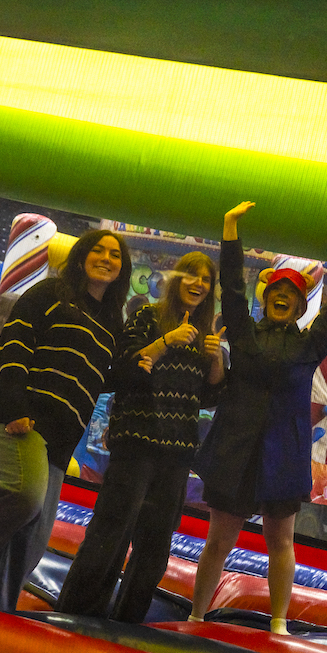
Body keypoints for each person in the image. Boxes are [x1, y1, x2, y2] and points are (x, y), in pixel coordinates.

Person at [190, 201, 327, 634]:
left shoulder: (310, 346)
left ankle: (278, 622)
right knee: (219, 540)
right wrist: (230, 228)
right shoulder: (243, 330)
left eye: (291, 294)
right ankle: (196, 614)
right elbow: (233, 288)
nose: (283, 296)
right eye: (277, 290)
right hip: (236, 448)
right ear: (268, 299)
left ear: (297, 306)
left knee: (281, 542)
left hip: (283, 454)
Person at [0, 230, 132, 611]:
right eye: (99, 250)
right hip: (14, 416)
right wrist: (16, 408)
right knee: (23, 495)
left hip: (58, 436)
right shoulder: (48, 295)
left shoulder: (111, 322)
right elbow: (14, 349)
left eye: (115, 255)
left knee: (30, 542)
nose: (107, 258)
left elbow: (97, 376)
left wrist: (156, 352)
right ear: (80, 256)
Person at [57, 251, 225, 623]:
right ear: (176, 279)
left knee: (155, 546)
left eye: (206, 279)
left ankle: (128, 623)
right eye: (191, 275)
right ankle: (75, 616)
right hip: (136, 441)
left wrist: (215, 360)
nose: (198, 283)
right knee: (111, 532)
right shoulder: (147, 317)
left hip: (178, 452)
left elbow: (210, 396)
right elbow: (123, 367)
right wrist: (167, 340)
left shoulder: (206, 334)